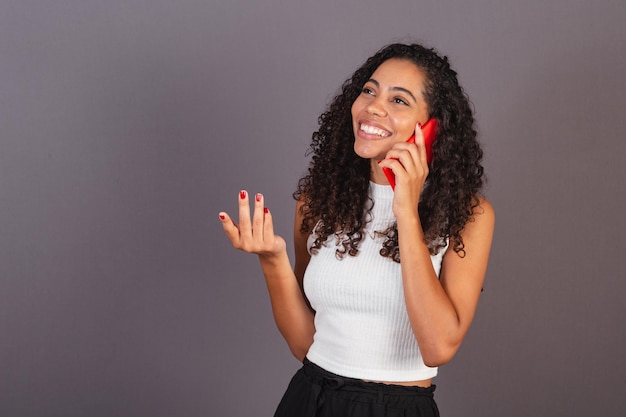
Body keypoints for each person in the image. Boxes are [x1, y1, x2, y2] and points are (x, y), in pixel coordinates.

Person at [218, 42, 495, 417]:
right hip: (308, 398)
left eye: (399, 100)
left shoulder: (468, 215)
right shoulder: (320, 200)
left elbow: (438, 347)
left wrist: (406, 211)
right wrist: (272, 260)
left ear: (431, 127)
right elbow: (306, 345)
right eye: (369, 90)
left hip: (394, 408)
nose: (373, 107)